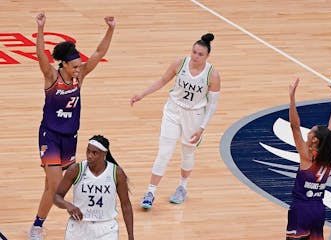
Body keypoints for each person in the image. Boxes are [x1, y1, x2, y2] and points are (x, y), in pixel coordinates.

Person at [29, 13, 115, 240]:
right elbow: (40, 55)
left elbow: (99, 53)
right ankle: (72, 217)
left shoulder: (80, 76)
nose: (78, 69)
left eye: (79, 66)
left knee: (50, 187)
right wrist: (41, 27)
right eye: (75, 66)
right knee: (57, 186)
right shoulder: (51, 77)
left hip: (70, 138)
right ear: (64, 64)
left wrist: (111, 29)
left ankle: (37, 224)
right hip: (50, 136)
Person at [130, 33, 221, 209]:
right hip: (173, 111)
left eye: (200, 54)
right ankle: (150, 192)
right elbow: (162, 80)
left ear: (207, 56)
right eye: (194, 52)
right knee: (164, 152)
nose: (195, 56)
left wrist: (202, 128)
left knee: (187, 153)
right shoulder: (180, 63)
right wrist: (142, 94)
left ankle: (182, 188)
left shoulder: (213, 75)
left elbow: (212, 106)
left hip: (194, 117)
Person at [286, 78, 331, 240]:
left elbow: (294, 126)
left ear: (315, 141)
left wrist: (292, 98)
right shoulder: (329, 155)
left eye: (310, 132)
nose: (307, 133)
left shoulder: (307, 156)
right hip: (318, 210)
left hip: (301, 210)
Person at [54, 135, 134, 240]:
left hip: (106, 228)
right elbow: (56, 196)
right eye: (88, 151)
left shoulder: (116, 173)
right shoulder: (76, 169)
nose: (89, 156)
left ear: (104, 153)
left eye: (94, 153)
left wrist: (130, 235)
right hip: (79, 226)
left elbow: (126, 204)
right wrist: (68, 205)